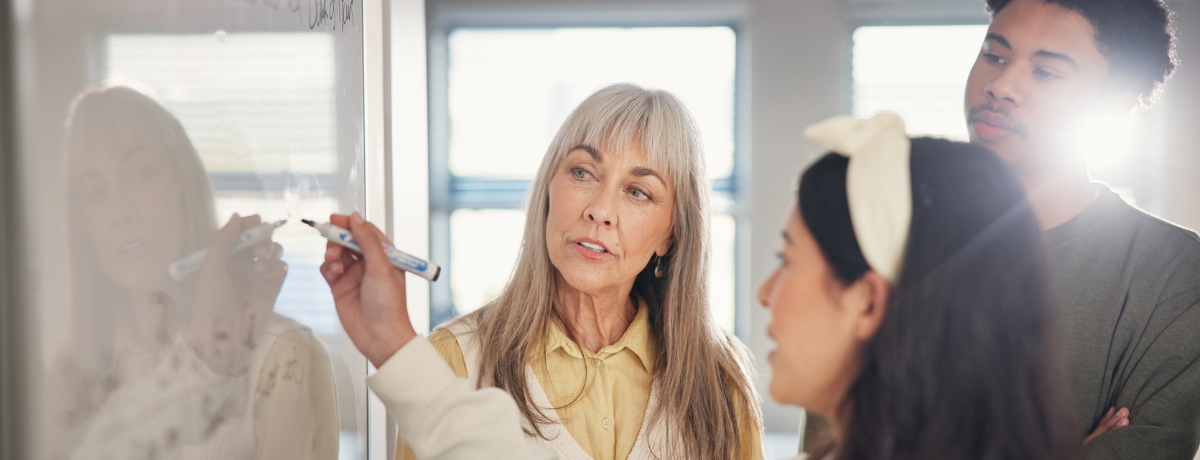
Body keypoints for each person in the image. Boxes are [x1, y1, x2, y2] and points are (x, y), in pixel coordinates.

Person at [320, 113, 1084, 460]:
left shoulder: (718, 380)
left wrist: (394, 348)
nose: (765, 294)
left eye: (790, 261)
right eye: (582, 170)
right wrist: (399, 347)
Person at [324, 83, 763, 460]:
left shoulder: (721, 379)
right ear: (549, 188)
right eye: (582, 172)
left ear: (671, 234)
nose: (600, 210)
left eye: (638, 192)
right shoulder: (452, 360)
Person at [963, 0, 1200, 457]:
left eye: (1046, 72)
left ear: (1111, 106)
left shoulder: (1175, 273)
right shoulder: (885, 237)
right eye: (994, 55)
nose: (1001, 86)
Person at [50, 86, 339, 460]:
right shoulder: (74, 368)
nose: (121, 210)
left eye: (140, 174)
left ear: (184, 185)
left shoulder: (282, 354)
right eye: (96, 193)